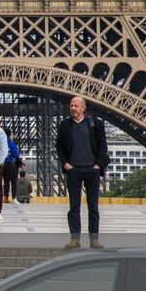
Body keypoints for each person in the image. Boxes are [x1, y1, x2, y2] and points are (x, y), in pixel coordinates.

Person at [56, 96, 108, 249]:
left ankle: (94, 239)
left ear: (83, 108)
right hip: (74, 170)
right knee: (74, 206)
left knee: (93, 206)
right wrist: (65, 164)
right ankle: (75, 238)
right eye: (71, 105)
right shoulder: (65, 125)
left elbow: (102, 145)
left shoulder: (95, 124)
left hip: (91, 169)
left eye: (76, 106)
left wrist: (98, 164)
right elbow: (59, 146)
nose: (73, 108)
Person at [2, 137, 21, 203]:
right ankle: (13, 198)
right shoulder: (12, 144)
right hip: (11, 164)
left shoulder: (1, 142)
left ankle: (5, 197)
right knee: (13, 182)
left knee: (5, 182)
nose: (13, 137)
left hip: (2, 164)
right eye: (12, 135)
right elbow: (15, 155)